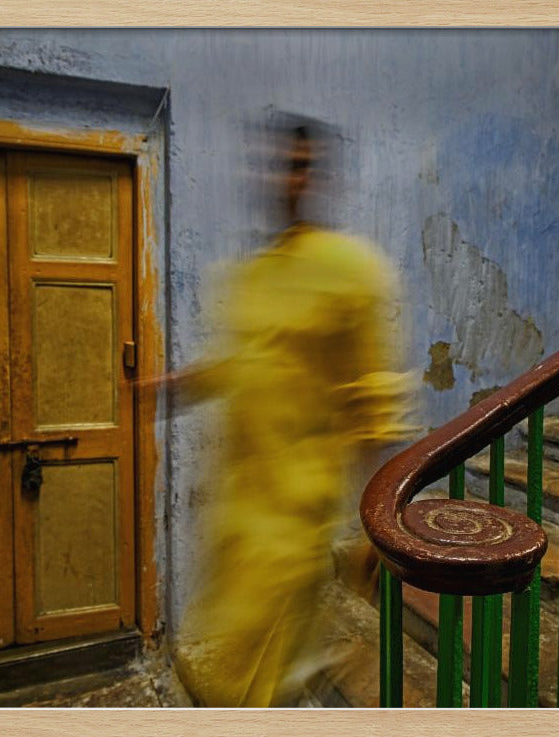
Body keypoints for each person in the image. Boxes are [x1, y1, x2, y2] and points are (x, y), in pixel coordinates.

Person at [155, 120, 416, 707]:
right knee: (234, 660)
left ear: (317, 175)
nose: (282, 177)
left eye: (297, 164)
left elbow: (370, 402)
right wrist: (171, 385)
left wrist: (379, 519)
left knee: (255, 676)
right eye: (273, 163)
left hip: (296, 515)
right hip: (238, 508)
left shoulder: (352, 270)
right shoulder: (254, 274)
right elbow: (241, 364)